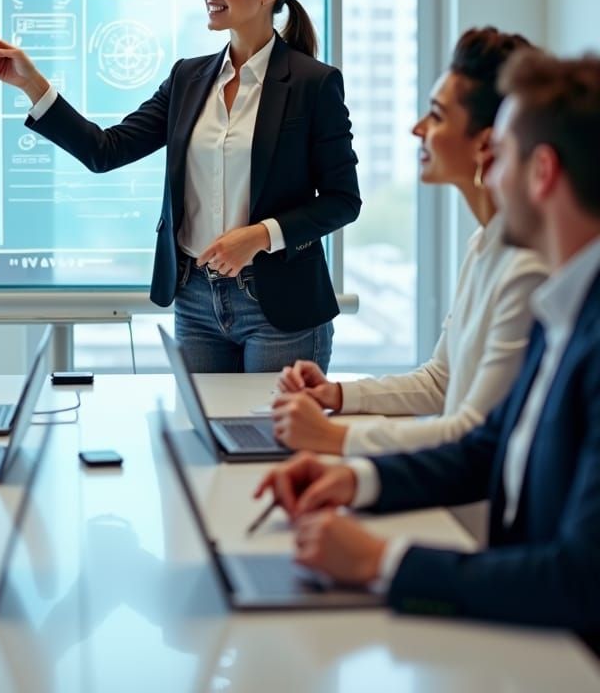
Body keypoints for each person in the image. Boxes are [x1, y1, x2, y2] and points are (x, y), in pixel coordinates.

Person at [255, 50, 600, 638]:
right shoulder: (563, 308)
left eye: (504, 158)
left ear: (541, 172)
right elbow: (489, 448)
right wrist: (358, 479)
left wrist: (379, 561)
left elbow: (580, 580)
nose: (490, 175)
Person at [0, 0, 361, 373]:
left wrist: (259, 236)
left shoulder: (314, 83)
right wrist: (31, 83)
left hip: (280, 304)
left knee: (271, 440)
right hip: (196, 299)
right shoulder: (188, 79)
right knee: (203, 437)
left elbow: (342, 201)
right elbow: (106, 150)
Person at [272, 28, 548, 455]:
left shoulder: (528, 268)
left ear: (486, 142)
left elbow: (474, 429)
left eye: (436, 115)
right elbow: (441, 381)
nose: (418, 128)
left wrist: (334, 437)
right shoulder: (482, 244)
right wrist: (338, 395)